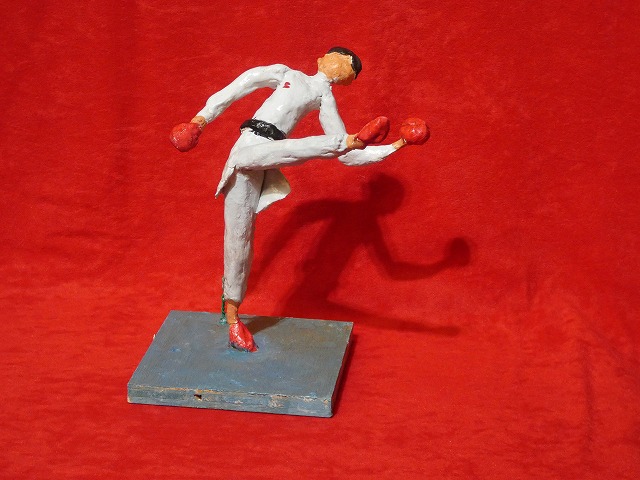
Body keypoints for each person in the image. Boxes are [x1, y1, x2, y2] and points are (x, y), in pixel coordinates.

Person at [170, 47, 429, 352]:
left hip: (269, 156)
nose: (344, 65)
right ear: (321, 59)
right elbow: (241, 85)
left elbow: (350, 159)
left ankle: (233, 318)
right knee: (236, 238)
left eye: (350, 69)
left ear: (347, 81)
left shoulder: (324, 97)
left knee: (244, 237)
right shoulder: (286, 73)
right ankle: (232, 318)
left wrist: (397, 145)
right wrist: (199, 121)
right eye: (341, 58)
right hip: (247, 150)